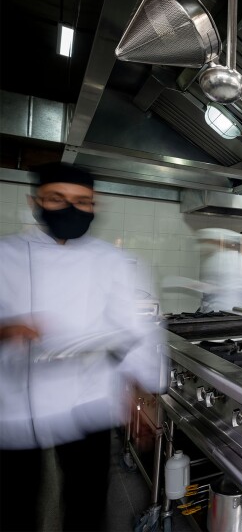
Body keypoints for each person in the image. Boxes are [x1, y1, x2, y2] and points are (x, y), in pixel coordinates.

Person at [0, 163, 166, 532]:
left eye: (82, 201)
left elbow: (136, 330)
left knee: (87, 505)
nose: (70, 208)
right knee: (16, 505)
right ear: (34, 202)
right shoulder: (5, 254)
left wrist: (143, 398)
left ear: (94, 206)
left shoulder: (111, 260)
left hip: (87, 401)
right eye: (57, 199)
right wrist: (5, 329)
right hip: (14, 405)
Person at [164, 228, 242, 312]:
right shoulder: (241, 259)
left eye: (206, 241)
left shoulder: (220, 258)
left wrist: (187, 284)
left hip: (224, 311)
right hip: (234, 311)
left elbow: (223, 289)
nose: (203, 245)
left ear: (216, 241)